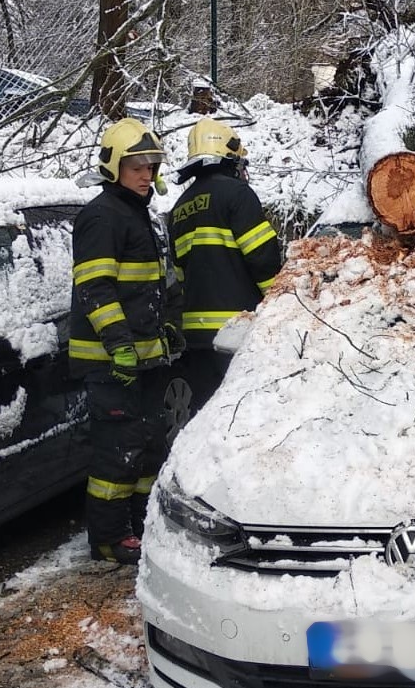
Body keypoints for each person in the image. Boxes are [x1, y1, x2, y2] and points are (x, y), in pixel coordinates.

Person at [69, 118, 183, 564]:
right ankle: (108, 538)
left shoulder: (142, 216)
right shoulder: (101, 216)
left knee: (149, 445)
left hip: (145, 360)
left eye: (151, 166)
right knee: (118, 453)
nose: (145, 174)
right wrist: (118, 345)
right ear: (114, 166)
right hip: (110, 362)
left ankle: (140, 524)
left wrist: (168, 330)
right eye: (136, 165)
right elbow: (95, 288)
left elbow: (157, 285)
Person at [169, 116, 281, 410]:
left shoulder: (178, 209)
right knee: (241, 415)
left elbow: (180, 273)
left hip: (196, 337)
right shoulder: (237, 195)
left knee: (207, 416)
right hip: (236, 331)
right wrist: (281, 303)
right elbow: (263, 258)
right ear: (230, 159)